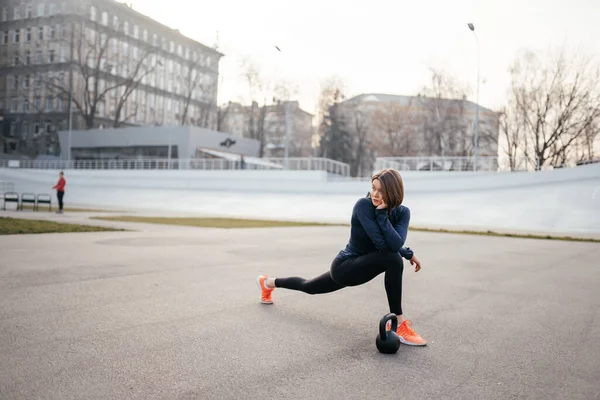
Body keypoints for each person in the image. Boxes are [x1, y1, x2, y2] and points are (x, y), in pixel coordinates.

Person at [256, 168, 427, 346]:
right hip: (345, 266)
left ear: (393, 192)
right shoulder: (364, 206)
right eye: (373, 188)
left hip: (363, 266)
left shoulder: (403, 212)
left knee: (309, 286)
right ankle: (399, 325)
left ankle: (267, 283)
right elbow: (384, 246)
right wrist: (385, 221)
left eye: (381, 190)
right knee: (393, 259)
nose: (375, 194)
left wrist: (406, 251)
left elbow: (396, 242)